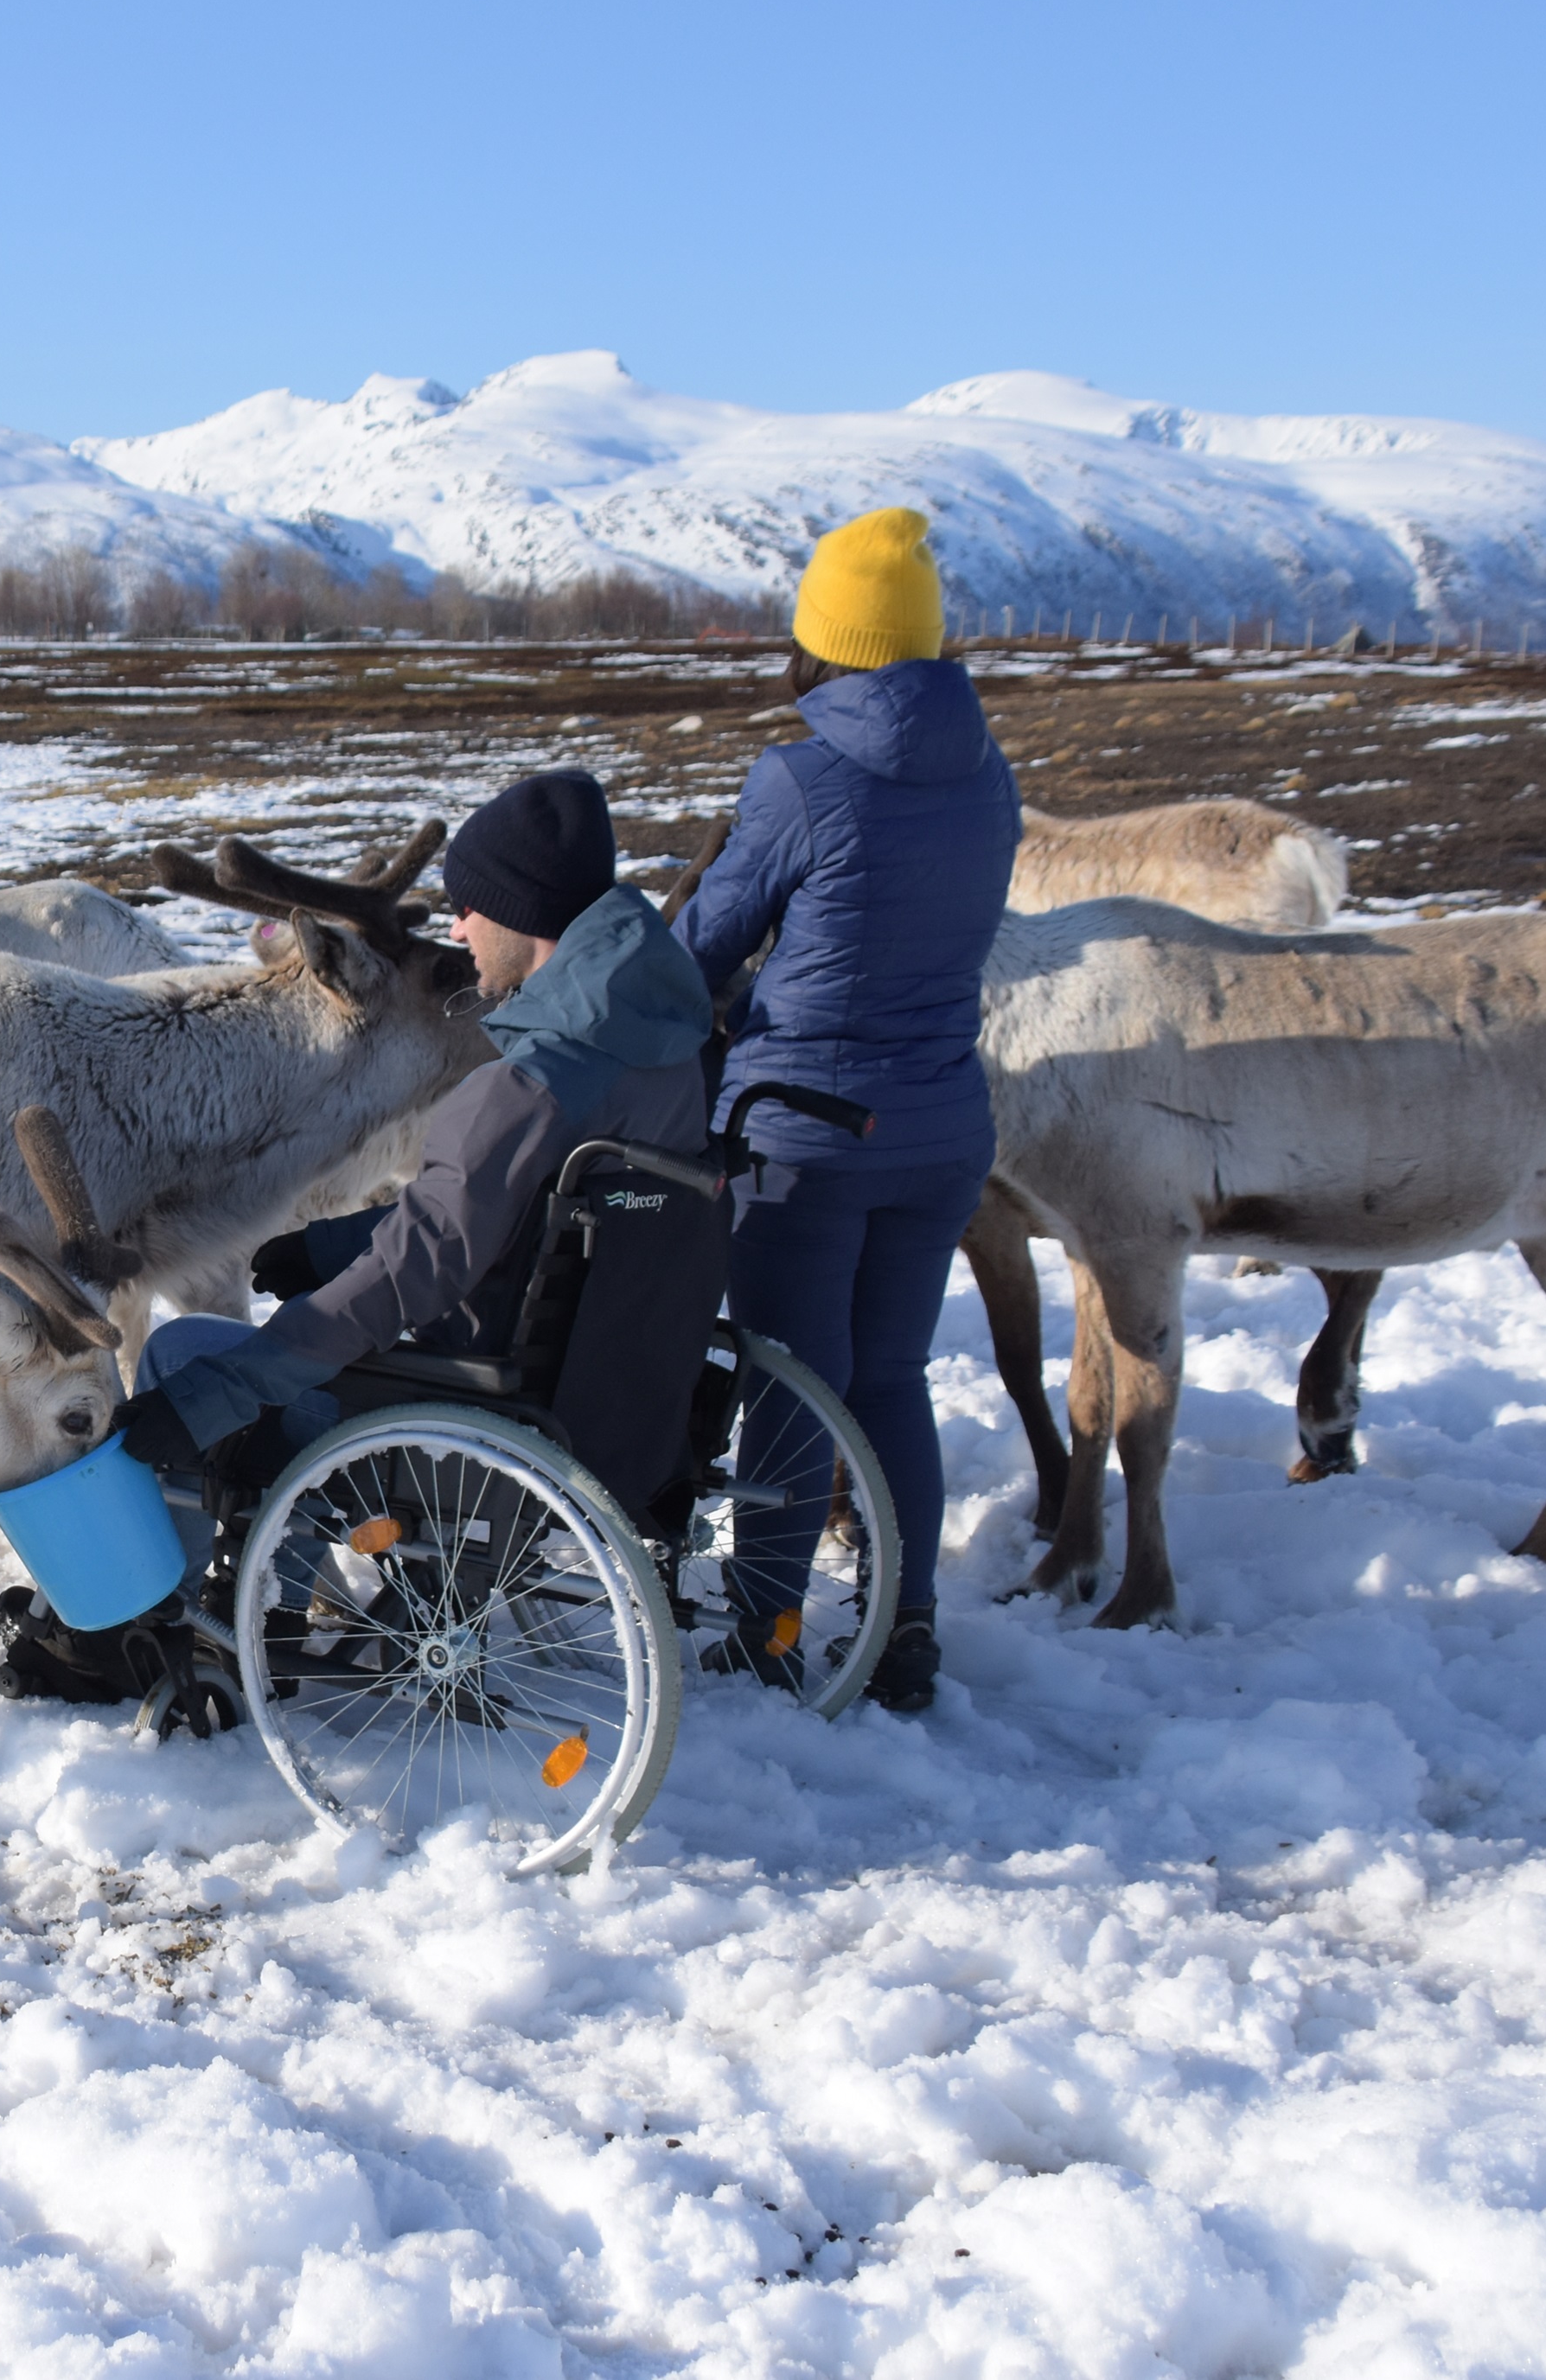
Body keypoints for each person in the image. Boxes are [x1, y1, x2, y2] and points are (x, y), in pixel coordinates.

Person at [112, 764, 714, 1491]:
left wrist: (223, 1391)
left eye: (469, 908)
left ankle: (189, 1570)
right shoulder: (670, 1054)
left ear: (519, 910)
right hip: (614, 1407)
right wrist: (329, 1246)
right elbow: (515, 1216)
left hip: (467, 1425)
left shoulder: (531, 1086)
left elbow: (420, 1264)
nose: (457, 929)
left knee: (183, 1355)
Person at [670, 507, 1021, 1713]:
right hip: (942, 1132)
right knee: (889, 1377)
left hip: (806, 1138)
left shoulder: (801, 778)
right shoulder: (988, 773)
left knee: (791, 1377)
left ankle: (770, 1627)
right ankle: (903, 1621)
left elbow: (702, 946)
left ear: (823, 641)